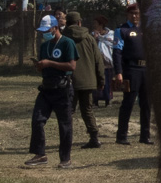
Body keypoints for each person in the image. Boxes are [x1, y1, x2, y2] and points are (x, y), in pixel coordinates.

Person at [25, 14, 77, 168]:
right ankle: (40, 154)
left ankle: (65, 158)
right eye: (42, 31)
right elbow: (44, 68)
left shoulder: (68, 43)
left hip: (63, 88)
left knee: (64, 124)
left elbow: (72, 66)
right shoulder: (44, 46)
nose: (44, 33)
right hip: (46, 88)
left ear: (55, 28)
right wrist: (40, 66)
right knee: (37, 120)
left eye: (47, 30)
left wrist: (50, 63)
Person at [63, 11, 106, 149]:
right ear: (79, 22)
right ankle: (94, 137)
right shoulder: (89, 38)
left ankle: (66, 138)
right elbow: (98, 61)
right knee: (87, 110)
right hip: (88, 80)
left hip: (68, 80)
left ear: (67, 22)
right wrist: (101, 80)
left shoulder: (63, 38)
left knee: (68, 110)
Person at [113, 3, 153, 145]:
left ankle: (145, 135)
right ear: (128, 15)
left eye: (137, 13)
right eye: (132, 13)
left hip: (146, 70)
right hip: (131, 70)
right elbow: (117, 53)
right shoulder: (122, 30)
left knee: (146, 104)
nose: (135, 16)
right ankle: (122, 136)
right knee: (128, 103)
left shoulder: (147, 29)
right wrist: (119, 72)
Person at [91, 15, 115, 107]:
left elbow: (111, 43)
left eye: (96, 24)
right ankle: (95, 101)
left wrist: (101, 38)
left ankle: (108, 100)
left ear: (101, 24)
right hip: (97, 62)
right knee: (96, 82)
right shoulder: (93, 34)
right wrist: (95, 38)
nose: (94, 25)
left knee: (107, 81)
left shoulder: (110, 34)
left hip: (107, 62)